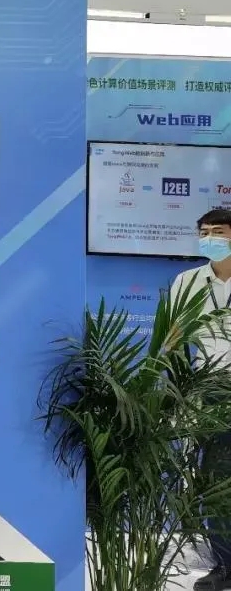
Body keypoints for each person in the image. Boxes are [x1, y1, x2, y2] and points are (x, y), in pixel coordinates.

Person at [174, 209, 231, 591]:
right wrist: (180, 392)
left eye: (218, 231)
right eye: (204, 232)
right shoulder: (188, 281)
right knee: (216, 482)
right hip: (209, 392)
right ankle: (225, 566)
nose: (210, 238)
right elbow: (174, 340)